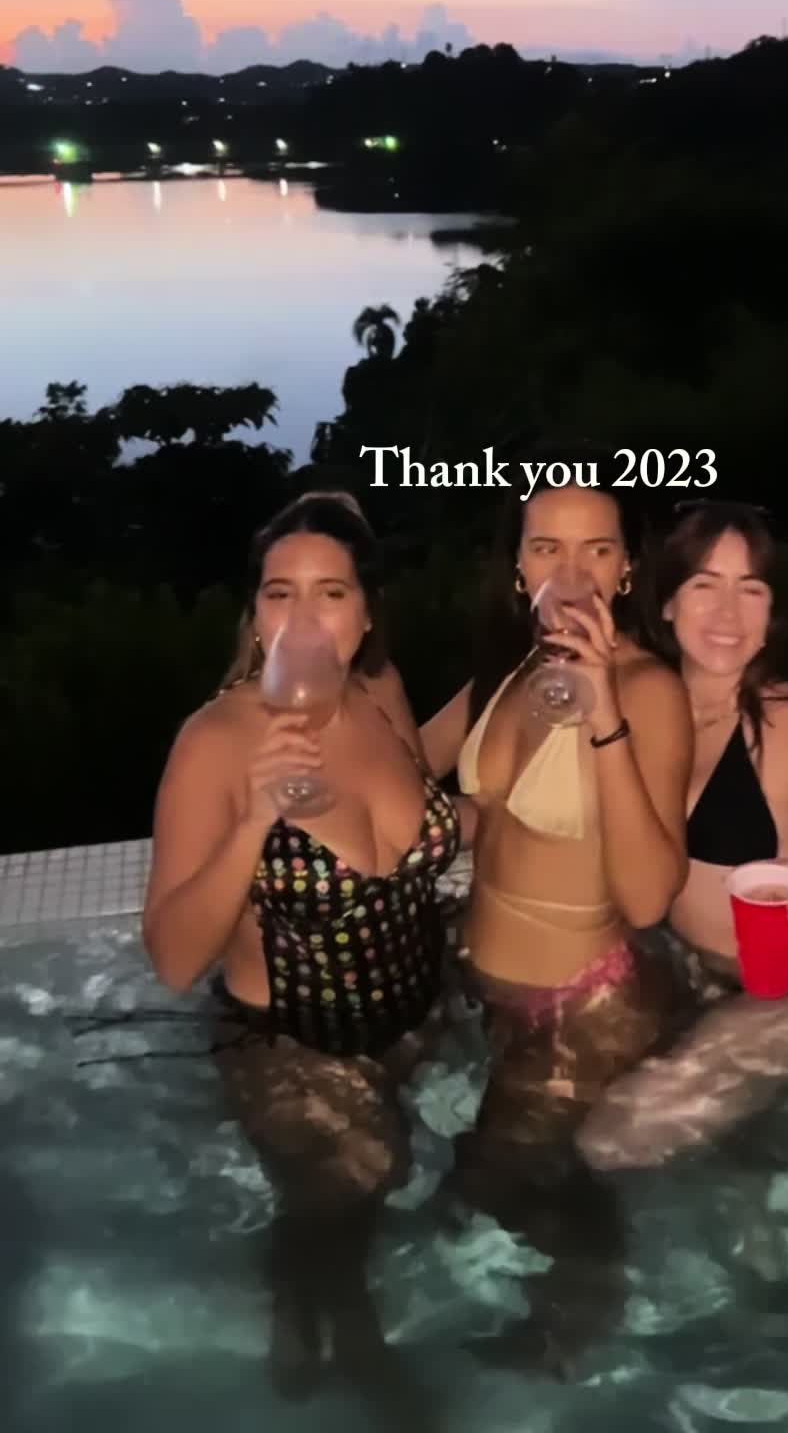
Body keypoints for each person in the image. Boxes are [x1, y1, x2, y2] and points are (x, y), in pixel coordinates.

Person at [143, 491, 458, 1404]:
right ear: (255, 615)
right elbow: (172, 957)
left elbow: (423, 822)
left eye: (332, 593)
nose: (305, 619)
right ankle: (351, 1339)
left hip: (412, 1019)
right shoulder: (214, 742)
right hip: (289, 1042)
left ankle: (296, 1284)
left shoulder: (382, 697)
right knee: (365, 1174)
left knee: (353, 1192)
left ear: (366, 615)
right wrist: (254, 819)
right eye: (281, 594)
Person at [420, 470, 692, 1371]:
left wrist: (605, 710)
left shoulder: (648, 692)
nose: (570, 576)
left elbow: (649, 898)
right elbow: (414, 773)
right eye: (547, 548)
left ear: (627, 569)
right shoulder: (509, 670)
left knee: (493, 1179)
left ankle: (583, 1327)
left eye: (596, 550)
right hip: (491, 983)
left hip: (581, 1004)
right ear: (517, 567)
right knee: (471, 1169)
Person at [578, 502, 788, 1171]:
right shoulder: (639, 707)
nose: (727, 612)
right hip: (686, 963)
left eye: (752, 589)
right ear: (667, 602)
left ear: (772, 613)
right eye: (704, 585)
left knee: (617, 1137)